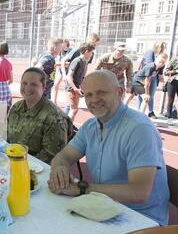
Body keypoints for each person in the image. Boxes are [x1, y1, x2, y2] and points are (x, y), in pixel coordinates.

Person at [48, 70, 169, 225]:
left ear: (120, 92)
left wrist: (81, 188)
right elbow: (64, 156)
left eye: (101, 92)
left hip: (141, 221)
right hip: (104, 208)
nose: (94, 100)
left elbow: (139, 193)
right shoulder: (91, 126)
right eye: (88, 95)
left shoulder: (139, 129)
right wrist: (59, 170)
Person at [7, 67, 71, 165]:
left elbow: (51, 156)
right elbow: (7, 138)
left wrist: (20, 164)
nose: (27, 88)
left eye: (33, 84)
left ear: (43, 86)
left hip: (36, 169)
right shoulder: (16, 107)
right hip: (13, 160)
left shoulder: (53, 117)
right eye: (24, 83)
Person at [126, 42, 168, 118]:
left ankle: (139, 114)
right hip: (138, 80)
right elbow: (147, 81)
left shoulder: (159, 64)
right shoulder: (151, 64)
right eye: (161, 48)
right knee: (145, 97)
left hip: (141, 80)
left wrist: (166, 80)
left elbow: (160, 76)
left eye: (163, 63)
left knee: (132, 96)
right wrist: (147, 93)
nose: (161, 64)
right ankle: (139, 115)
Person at [64, 43, 95, 123]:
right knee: (74, 110)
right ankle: (67, 128)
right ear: (87, 52)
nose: (92, 55)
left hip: (76, 88)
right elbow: (69, 76)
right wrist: (75, 88)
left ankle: (67, 127)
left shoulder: (84, 62)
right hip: (71, 88)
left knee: (73, 109)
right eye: (91, 52)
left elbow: (80, 78)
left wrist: (81, 88)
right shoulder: (77, 61)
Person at [52, 38, 71, 104]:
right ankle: (54, 101)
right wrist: (62, 64)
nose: (62, 44)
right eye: (61, 43)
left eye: (63, 43)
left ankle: (68, 103)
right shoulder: (60, 51)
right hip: (60, 70)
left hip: (68, 72)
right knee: (55, 85)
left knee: (67, 88)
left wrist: (62, 64)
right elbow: (58, 62)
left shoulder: (70, 51)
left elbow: (69, 64)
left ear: (66, 43)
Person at [164, 55, 178, 125]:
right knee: (170, 100)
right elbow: (166, 72)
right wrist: (176, 71)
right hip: (173, 82)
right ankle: (169, 117)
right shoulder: (174, 59)